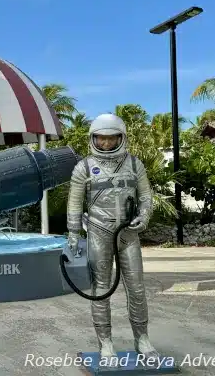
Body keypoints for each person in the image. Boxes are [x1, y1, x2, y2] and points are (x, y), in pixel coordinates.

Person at [66, 113, 159, 359]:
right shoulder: (83, 167)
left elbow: (145, 195)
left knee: (137, 288)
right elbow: (74, 203)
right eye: (101, 139)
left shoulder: (134, 164)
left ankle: (142, 339)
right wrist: (74, 234)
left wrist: (144, 216)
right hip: (98, 232)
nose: (106, 144)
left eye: (111, 138)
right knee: (101, 289)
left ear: (121, 138)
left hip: (128, 234)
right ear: (93, 139)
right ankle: (105, 343)